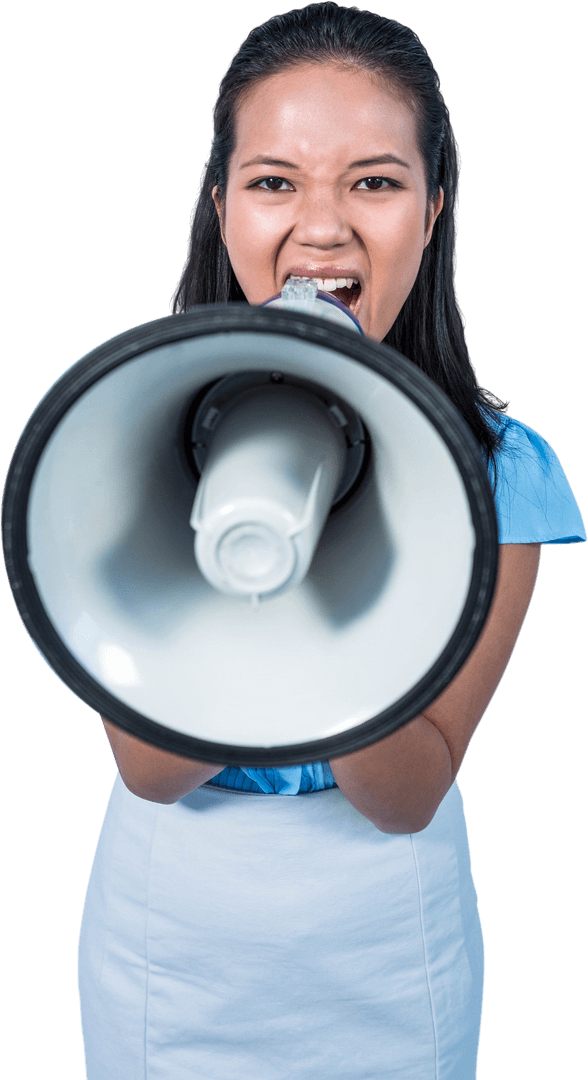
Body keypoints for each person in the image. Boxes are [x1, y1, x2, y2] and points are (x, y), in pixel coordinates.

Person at [77, 5, 586, 1078]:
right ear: (218, 207)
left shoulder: (504, 473)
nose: (323, 228)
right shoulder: (131, 433)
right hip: (174, 944)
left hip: (388, 950)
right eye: (273, 181)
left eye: (375, 181)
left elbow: (399, 799)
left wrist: (325, 550)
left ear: (435, 207)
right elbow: (156, 770)